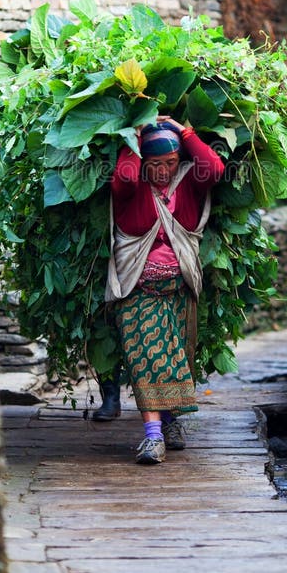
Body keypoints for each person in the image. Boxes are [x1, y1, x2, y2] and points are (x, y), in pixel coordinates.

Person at [104, 116, 225, 464]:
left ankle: (170, 422)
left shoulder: (189, 183)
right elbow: (124, 178)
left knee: (173, 358)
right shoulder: (133, 186)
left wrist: (186, 130)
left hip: (178, 288)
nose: (162, 171)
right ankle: (153, 436)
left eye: (170, 163)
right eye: (154, 164)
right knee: (145, 358)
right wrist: (135, 137)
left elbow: (214, 169)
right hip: (136, 289)